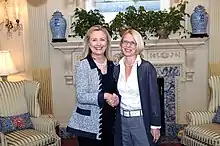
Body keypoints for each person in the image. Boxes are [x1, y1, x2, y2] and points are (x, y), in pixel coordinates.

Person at [66, 25, 119, 146]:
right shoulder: (83, 65)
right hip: (88, 127)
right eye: (94, 40)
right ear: (89, 43)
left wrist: (116, 99)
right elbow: (81, 96)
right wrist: (105, 96)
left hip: (111, 124)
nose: (98, 44)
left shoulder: (114, 65)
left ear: (107, 42)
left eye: (102, 39)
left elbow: (117, 91)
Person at [113, 29, 161, 146]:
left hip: (140, 119)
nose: (128, 46)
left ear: (138, 45)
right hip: (122, 120)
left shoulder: (146, 68)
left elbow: (154, 98)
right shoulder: (116, 68)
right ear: (121, 44)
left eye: (132, 42)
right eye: (125, 42)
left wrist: (155, 125)